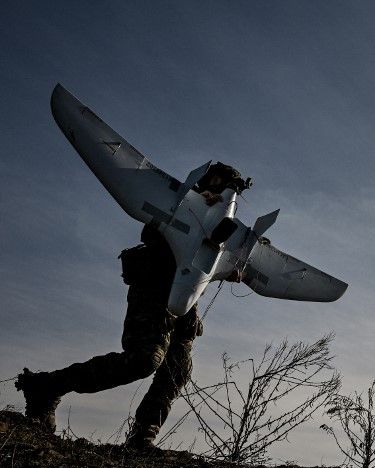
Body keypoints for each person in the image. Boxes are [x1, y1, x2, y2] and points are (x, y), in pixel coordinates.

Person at [16, 162, 250, 450]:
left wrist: (237, 261)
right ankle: (46, 387)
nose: (219, 191)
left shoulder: (222, 224)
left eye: (227, 188)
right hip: (153, 293)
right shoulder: (179, 204)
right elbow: (152, 232)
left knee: (177, 369)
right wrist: (196, 209)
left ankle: (142, 437)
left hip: (184, 304)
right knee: (144, 360)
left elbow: (222, 257)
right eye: (215, 183)